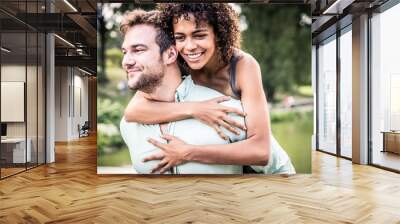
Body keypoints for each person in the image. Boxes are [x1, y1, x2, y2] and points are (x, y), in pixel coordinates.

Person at [123, 4, 295, 175]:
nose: (189, 47)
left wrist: (188, 152)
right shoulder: (181, 59)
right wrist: (197, 109)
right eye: (180, 37)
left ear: (218, 35)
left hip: (271, 171)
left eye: (199, 35)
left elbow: (261, 151)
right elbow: (133, 112)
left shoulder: (241, 65)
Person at [119, 9, 246, 174]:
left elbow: (278, 167)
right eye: (124, 52)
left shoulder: (225, 108)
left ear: (170, 54)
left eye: (138, 50)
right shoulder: (128, 125)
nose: (126, 62)